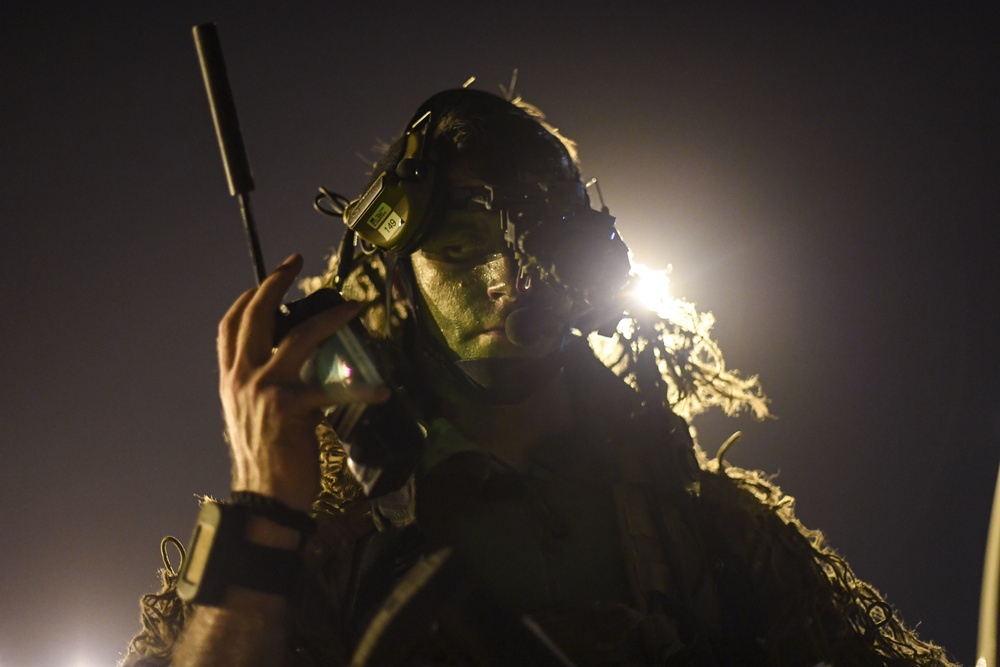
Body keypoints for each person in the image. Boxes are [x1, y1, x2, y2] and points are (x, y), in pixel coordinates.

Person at [122, 89, 958, 666]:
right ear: (396, 283)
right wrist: (265, 509)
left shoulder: (705, 529)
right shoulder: (331, 545)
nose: (509, 282)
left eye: (536, 251)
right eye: (459, 249)